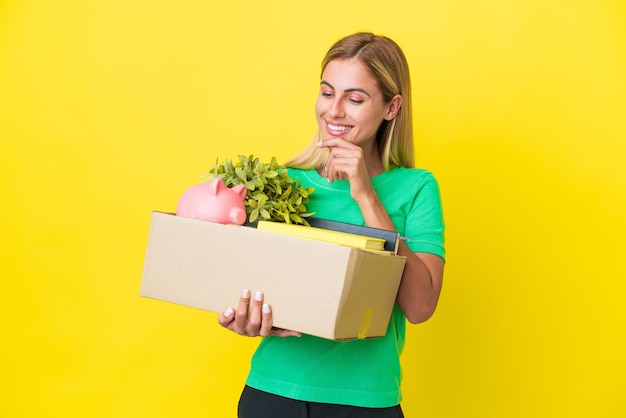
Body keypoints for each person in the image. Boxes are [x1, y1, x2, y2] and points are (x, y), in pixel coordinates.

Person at [218, 32, 445, 418]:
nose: (334, 111)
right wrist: (243, 314)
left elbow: (421, 306)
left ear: (392, 108)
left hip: (366, 401)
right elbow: (247, 284)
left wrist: (366, 196)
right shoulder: (281, 183)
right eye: (327, 93)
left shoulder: (416, 187)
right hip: (272, 394)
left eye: (355, 99)